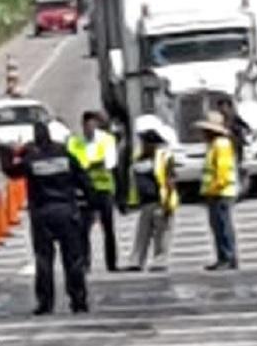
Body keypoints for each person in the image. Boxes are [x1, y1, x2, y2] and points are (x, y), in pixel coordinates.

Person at [5, 121, 92, 315]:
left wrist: (12, 152)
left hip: (42, 213)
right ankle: (78, 300)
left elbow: (12, 172)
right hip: (67, 211)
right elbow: (84, 180)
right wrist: (89, 203)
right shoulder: (65, 156)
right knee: (73, 259)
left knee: (44, 260)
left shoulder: (31, 159)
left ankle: (45, 303)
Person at [67, 111, 119, 272]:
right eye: (86, 126)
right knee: (83, 228)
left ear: (96, 125)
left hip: (103, 188)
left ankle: (111, 263)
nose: (89, 129)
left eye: (92, 126)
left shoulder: (107, 140)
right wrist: (92, 164)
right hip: (84, 190)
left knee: (108, 227)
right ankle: (85, 263)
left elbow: (109, 163)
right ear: (82, 126)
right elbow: (71, 165)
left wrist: (86, 166)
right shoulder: (74, 142)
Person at [125, 127, 179, 272]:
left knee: (162, 234)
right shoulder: (138, 159)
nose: (143, 145)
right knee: (142, 234)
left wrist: (168, 203)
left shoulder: (164, 157)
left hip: (160, 201)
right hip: (145, 202)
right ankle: (136, 261)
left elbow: (170, 180)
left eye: (146, 142)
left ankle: (160, 261)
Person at [195, 111, 239, 271]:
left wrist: (213, 189)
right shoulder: (215, 145)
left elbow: (222, 172)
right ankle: (224, 257)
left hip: (220, 192)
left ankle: (227, 257)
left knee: (223, 226)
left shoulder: (221, 145)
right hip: (217, 192)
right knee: (218, 227)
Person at [217, 98, 250, 198]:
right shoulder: (219, 119)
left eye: (224, 106)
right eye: (220, 107)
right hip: (224, 148)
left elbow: (245, 126)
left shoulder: (234, 116)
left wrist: (243, 132)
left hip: (235, 146)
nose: (223, 109)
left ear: (229, 107)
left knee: (236, 167)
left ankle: (238, 189)